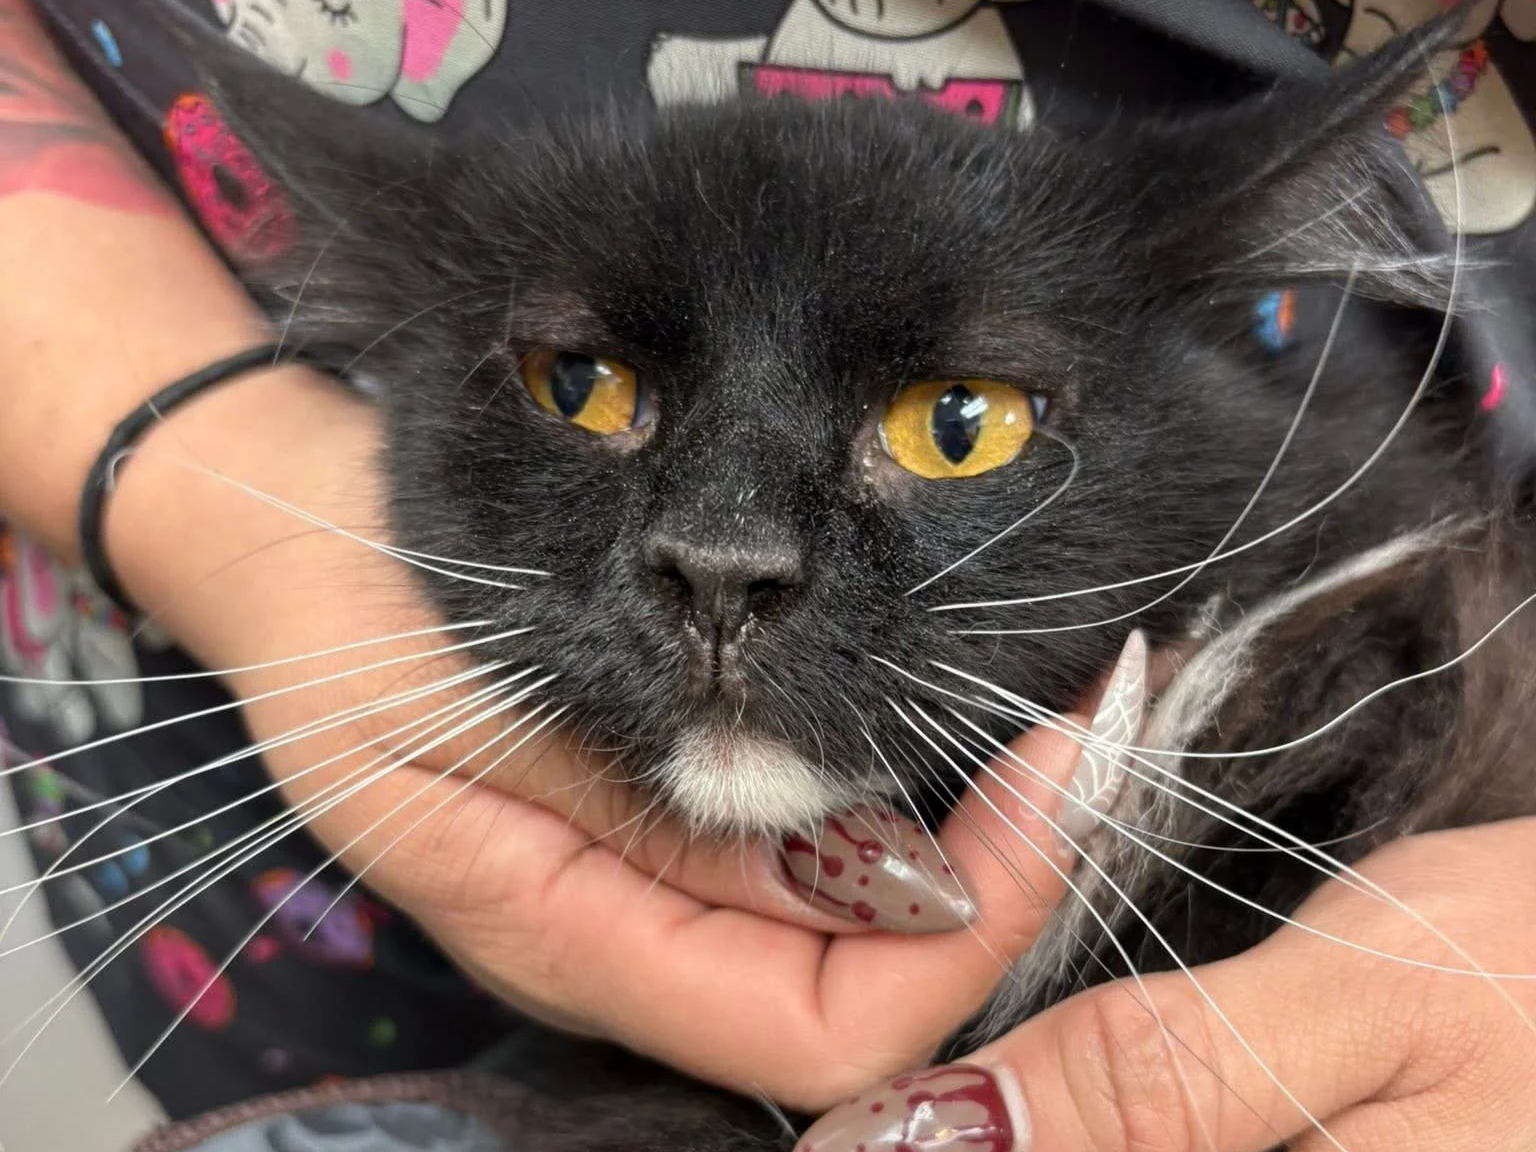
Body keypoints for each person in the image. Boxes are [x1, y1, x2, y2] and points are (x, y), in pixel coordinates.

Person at [1, 1, 1535, 1150]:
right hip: (308, 858)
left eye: (956, 421)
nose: (726, 551)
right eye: (586, 387)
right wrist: (189, 467)